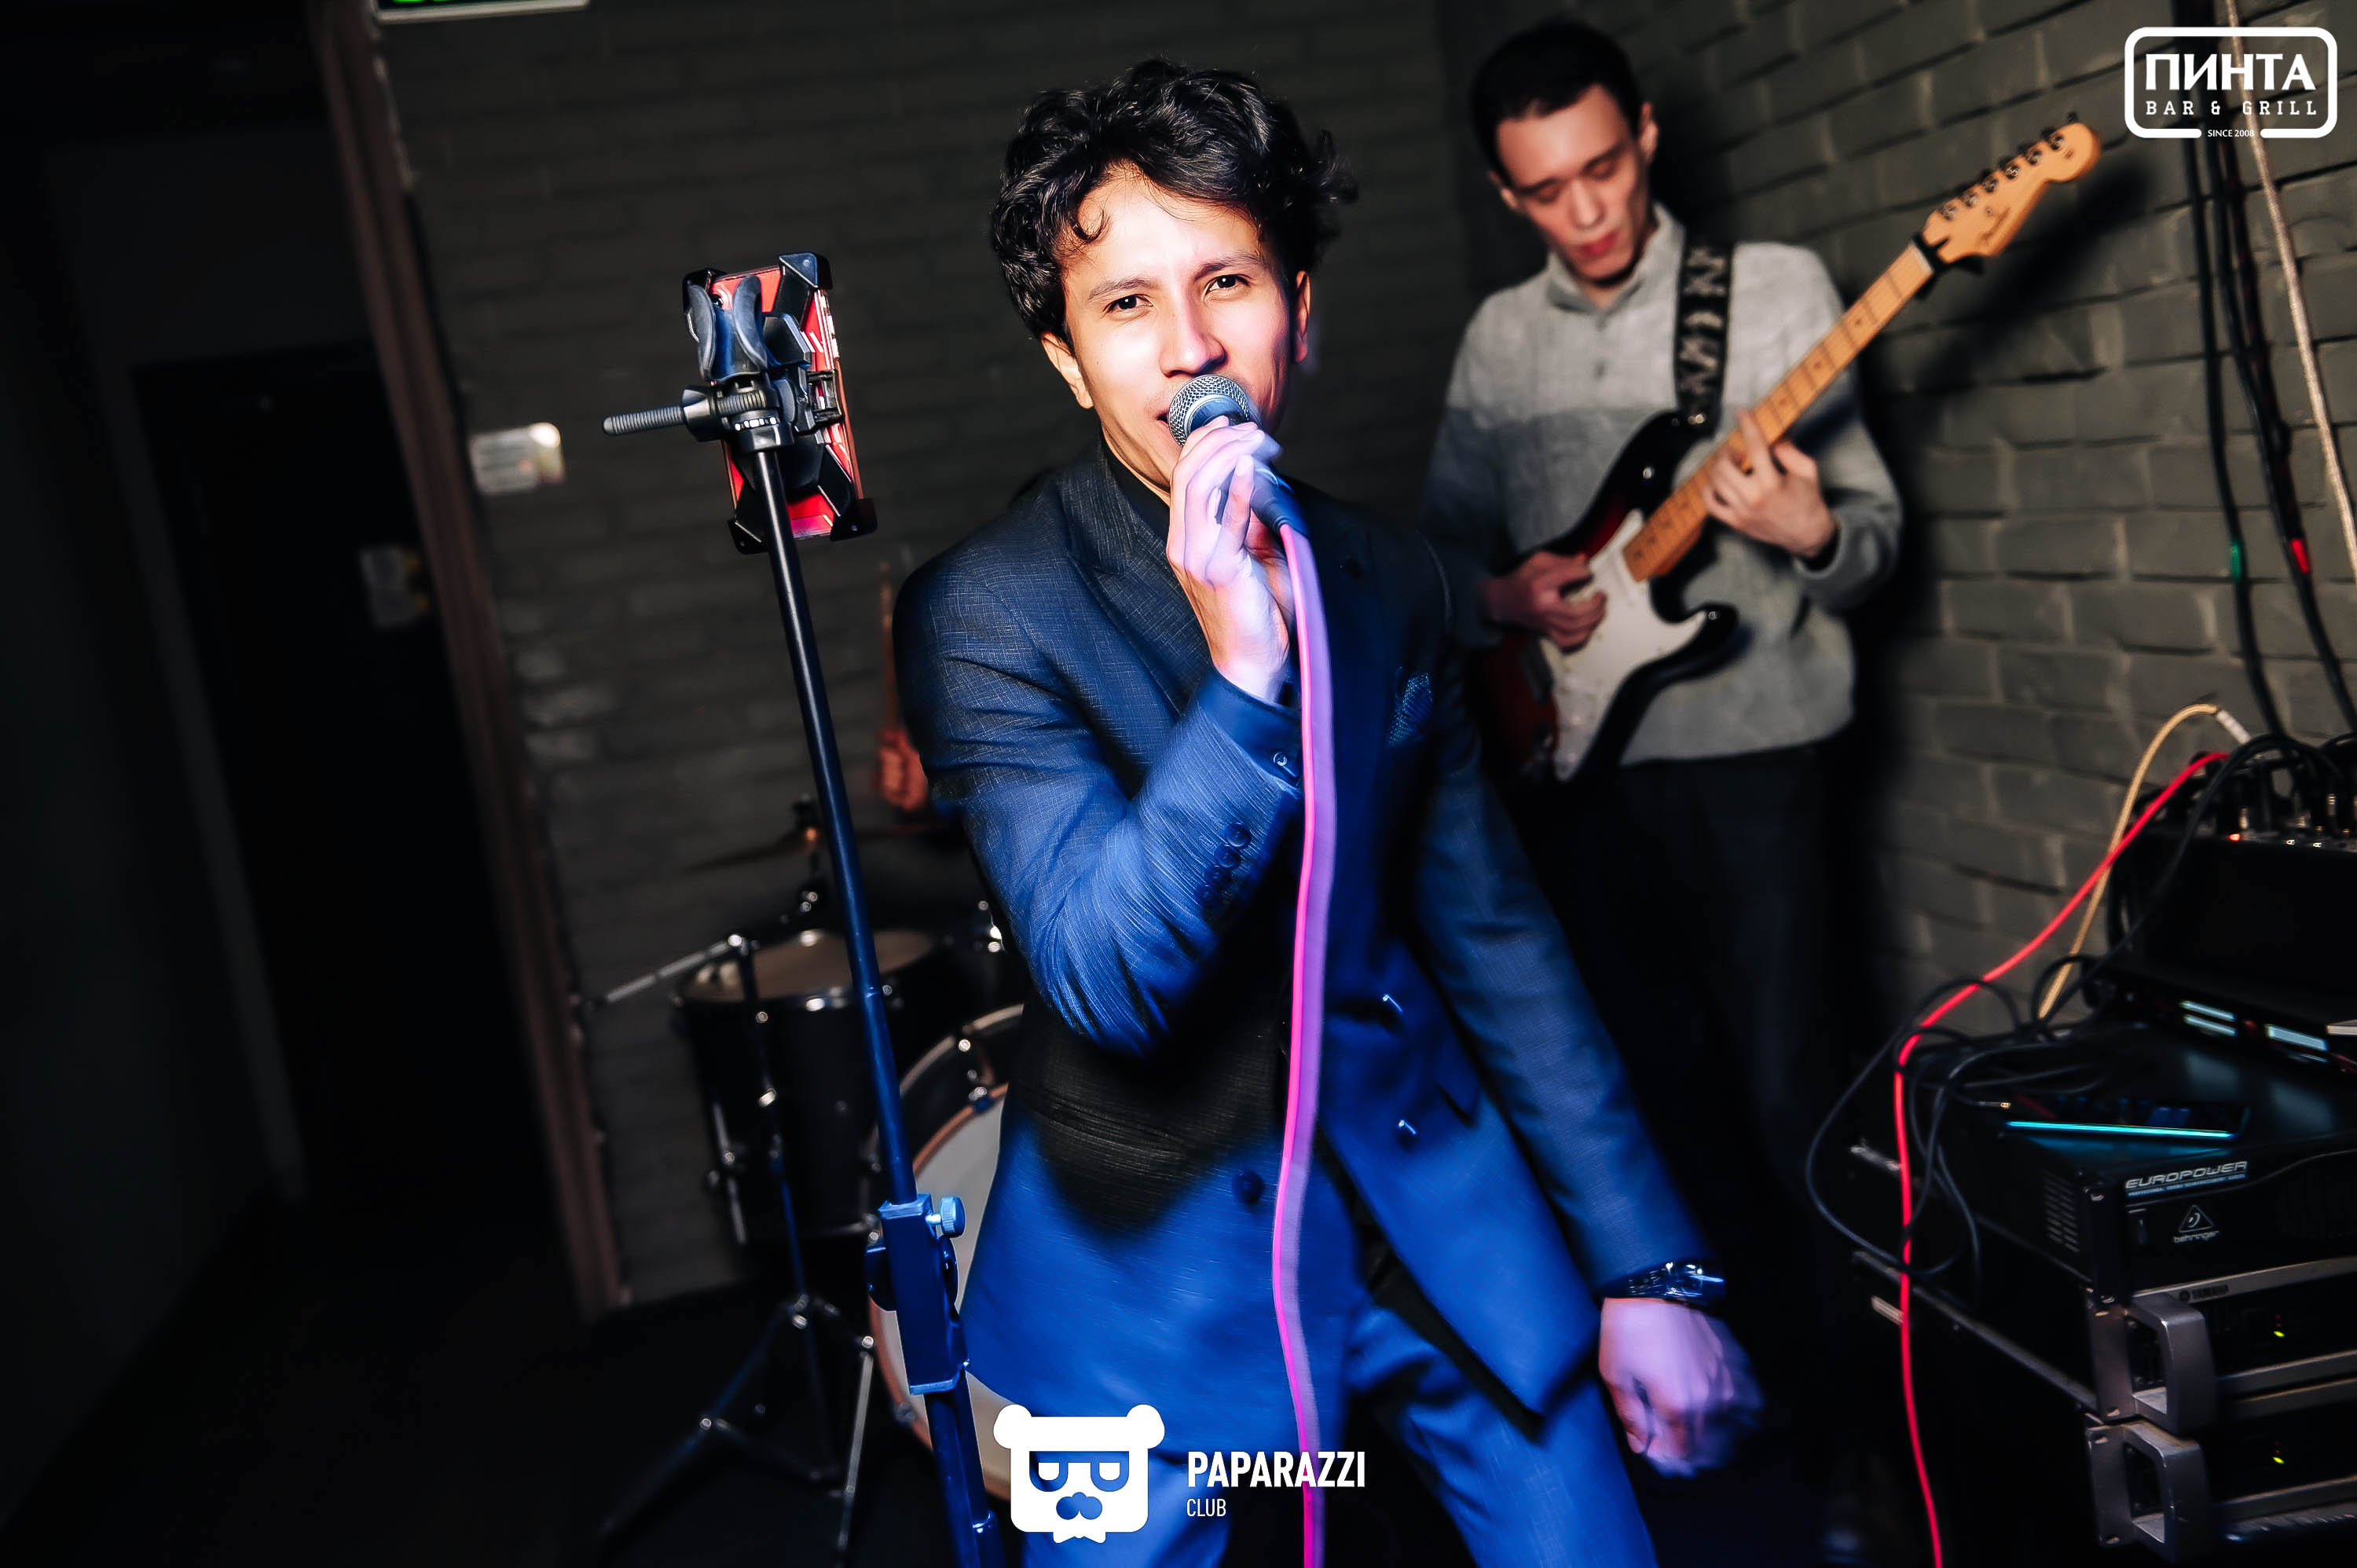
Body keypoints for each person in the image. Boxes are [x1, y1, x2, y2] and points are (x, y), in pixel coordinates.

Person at [896, 58, 1756, 1566]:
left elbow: (1496, 939)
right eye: (1125, 305)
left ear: (1300, 309)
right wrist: (1245, 680)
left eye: (1226, 282)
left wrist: (1647, 1268)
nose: (1188, 349)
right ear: (1067, 359)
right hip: (1149, 1279)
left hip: (1430, 1222)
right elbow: (1108, 978)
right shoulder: (985, 611)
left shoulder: (1394, 577)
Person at [1417, 19, 1904, 1563]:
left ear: (1644, 131)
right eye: (1546, 190)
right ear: (1506, 194)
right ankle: (1715, 1409)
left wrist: (1811, 526)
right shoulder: (1499, 342)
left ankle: (1863, 1449)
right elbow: (1441, 557)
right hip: (1575, 778)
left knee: (1793, 1104)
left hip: (1760, 760)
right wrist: (1503, 597)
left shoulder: (1775, 294)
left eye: (1603, 169)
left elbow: (1873, 540)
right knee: (1644, 1108)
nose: (1587, 212)